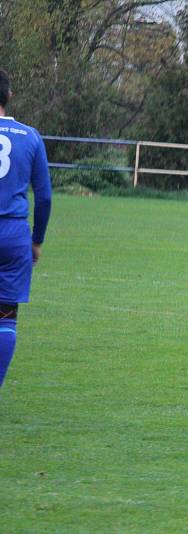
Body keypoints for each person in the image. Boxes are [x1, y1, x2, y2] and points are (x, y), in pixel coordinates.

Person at [0, 68, 52, 391]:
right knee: (5, 317)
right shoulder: (30, 136)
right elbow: (44, 197)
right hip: (13, 237)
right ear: (9, 96)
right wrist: (37, 240)